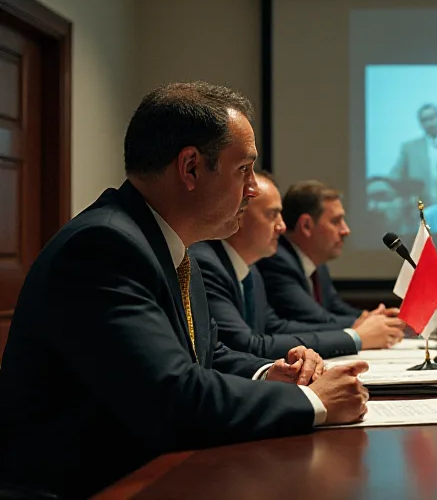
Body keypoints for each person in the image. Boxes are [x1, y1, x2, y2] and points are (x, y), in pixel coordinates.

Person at [0, 82, 369, 498]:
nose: (252, 187)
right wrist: (314, 403)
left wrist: (273, 374)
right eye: (243, 169)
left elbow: (207, 356)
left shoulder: (168, 244)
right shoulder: (104, 248)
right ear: (190, 167)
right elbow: (172, 396)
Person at [192, 171, 405, 360]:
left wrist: (358, 327)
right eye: (272, 215)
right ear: (237, 215)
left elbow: (275, 327)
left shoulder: (251, 270)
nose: (282, 227)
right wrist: (354, 335)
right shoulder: (207, 264)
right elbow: (246, 345)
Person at [257, 181, 403, 328]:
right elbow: (313, 317)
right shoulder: (277, 261)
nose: (346, 230)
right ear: (306, 225)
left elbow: (336, 306)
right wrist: (366, 324)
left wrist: (369, 317)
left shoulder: (317, 265)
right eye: (336, 221)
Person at [390, 103, 437, 204]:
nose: (429, 123)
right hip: (419, 208)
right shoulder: (409, 148)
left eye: (432, 118)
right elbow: (395, 176)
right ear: (420, 124)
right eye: (424, 120)